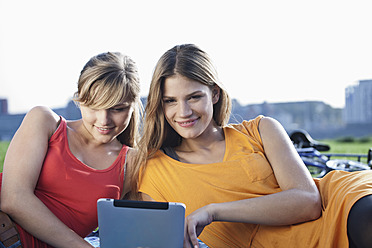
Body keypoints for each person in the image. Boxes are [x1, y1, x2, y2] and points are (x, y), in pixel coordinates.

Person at [135, 44, 372, 248]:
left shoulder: (261, 130)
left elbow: (309, 202)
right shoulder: (153, 171)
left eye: (194, 97)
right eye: (170, 101)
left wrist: (214, 211)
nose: (183, 112)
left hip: (338, 210)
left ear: (215, 94)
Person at [0, 51, 142, 248]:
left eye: (117, 109)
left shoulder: (133, 163)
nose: (104, 120)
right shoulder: (45, 122)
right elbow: (13, 199)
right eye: (94, 106)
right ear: (80, 99)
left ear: (133, 106)